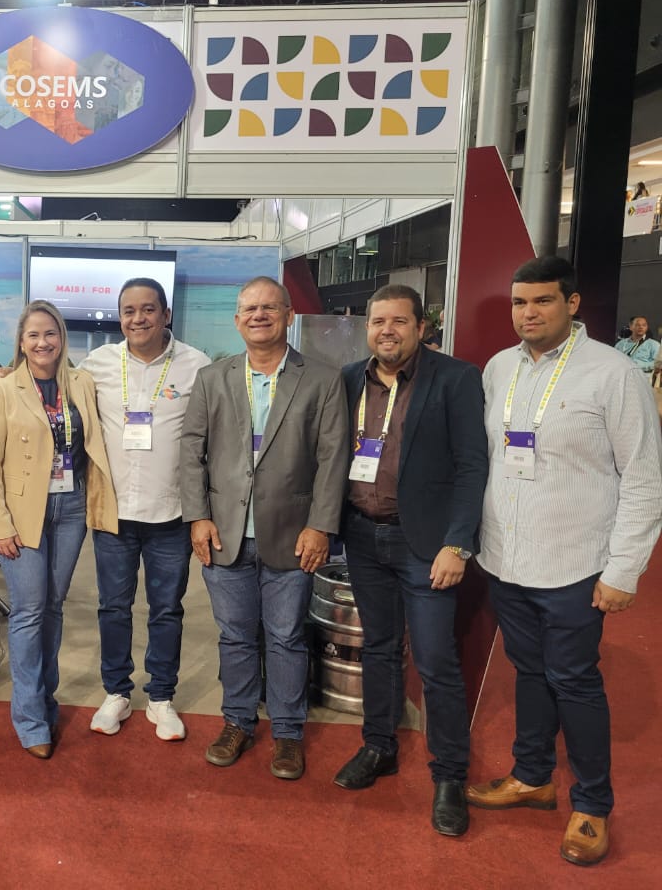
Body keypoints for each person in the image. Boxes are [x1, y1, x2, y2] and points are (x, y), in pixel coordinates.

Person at [466, 257, 662, 867]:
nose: (529, 313)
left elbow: (644, 479)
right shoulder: (499, 368)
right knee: (529, 672)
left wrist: (623, 569)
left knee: (574, 680)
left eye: (543, 301)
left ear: (572, 304)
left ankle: (593, 804)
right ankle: (532, 777)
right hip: (507, 560)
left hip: (576, 564)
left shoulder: (613, 374)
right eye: (519, 302)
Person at [332, 284, 488, 838]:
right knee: (378, 647)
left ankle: (449, 775)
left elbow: (472, 466)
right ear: (367, 328)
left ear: (421, 327)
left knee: (435, 660)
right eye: (378, 322)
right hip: (362, 535)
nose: (387, 331)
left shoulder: (455, 379)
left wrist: (458, 543)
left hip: (426, 545)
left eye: (399, 321)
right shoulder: (349, 379)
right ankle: (379, 746)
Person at [180, 276, 349, 780]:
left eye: (269, 307)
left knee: (286, 637)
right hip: (224, 534)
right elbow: (192, 453)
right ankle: (237, 721)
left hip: (293, 536)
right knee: (234, 637)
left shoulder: (321, 380)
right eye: (249, 309)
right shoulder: (213, 378)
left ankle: (289, 732)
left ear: (288, 316)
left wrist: (321, 526)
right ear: (237, 321)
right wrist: (198, 516)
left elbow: (333, 458)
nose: (259, 315)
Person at [0, 300, 118, 758]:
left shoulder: (81, 383)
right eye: (34, 335)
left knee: (53, 607)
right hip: (23, 512)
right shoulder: (2, 391)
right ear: (21, 342)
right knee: (28, 610)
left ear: (62, 338)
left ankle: (45, 699)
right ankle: (30, 718)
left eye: (51, 333)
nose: (43, 342)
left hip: (72, 506)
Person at [78, 278, 210, 741]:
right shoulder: (96, 364)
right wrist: (2, 375)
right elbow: (45, 382)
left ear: (166, 314)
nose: (139, 319)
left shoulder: (196, 365)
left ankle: (161, 697)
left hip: (171, 513)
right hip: (113, 514)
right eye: (129, 311)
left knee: (166, 609)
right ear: (120, 318)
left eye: (148, 309)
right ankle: (116, 691)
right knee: (113, 607)